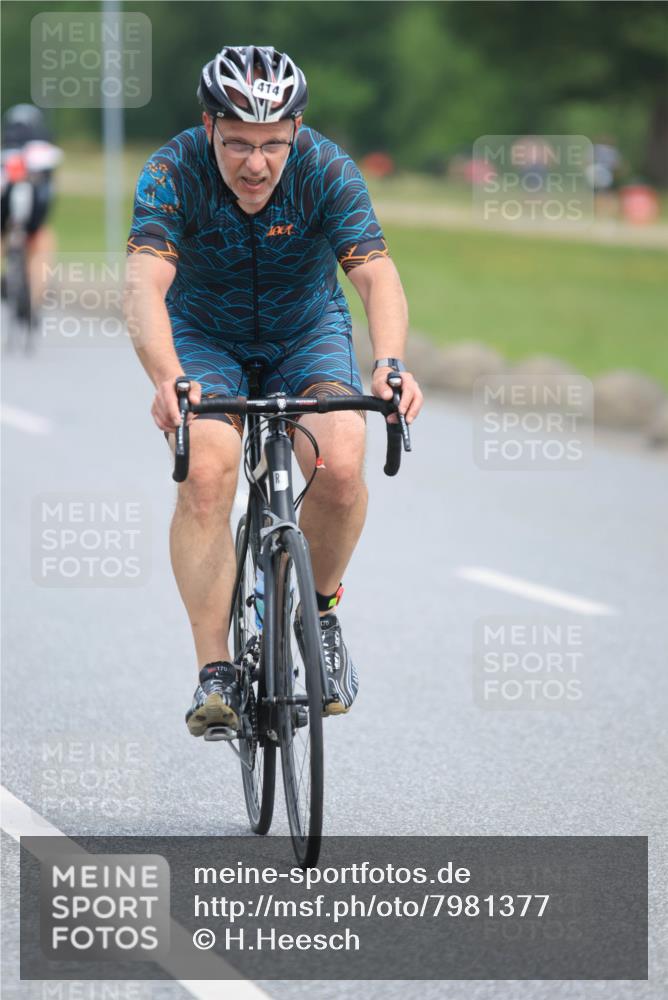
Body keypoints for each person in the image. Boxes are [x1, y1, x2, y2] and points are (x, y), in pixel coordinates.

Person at [124, 45, 423, 736]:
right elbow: (144, 284)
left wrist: (390, 361)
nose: (255, 163)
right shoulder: (172, 171)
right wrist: (167, 375)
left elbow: (375, 272)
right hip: (203, 335)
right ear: (208, 127)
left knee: (341, 461)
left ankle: (316, 615)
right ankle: (215, 671)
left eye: (272, 145)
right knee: (205, 469)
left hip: (305, 329)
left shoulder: (324, 167)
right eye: (236, 144)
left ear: (296, 131)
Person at [1, 104, 62, 312]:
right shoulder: (44, 150)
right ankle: (37, 296)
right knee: (43, 241)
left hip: (7, 214)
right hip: (35, 216)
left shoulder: (6, 149)